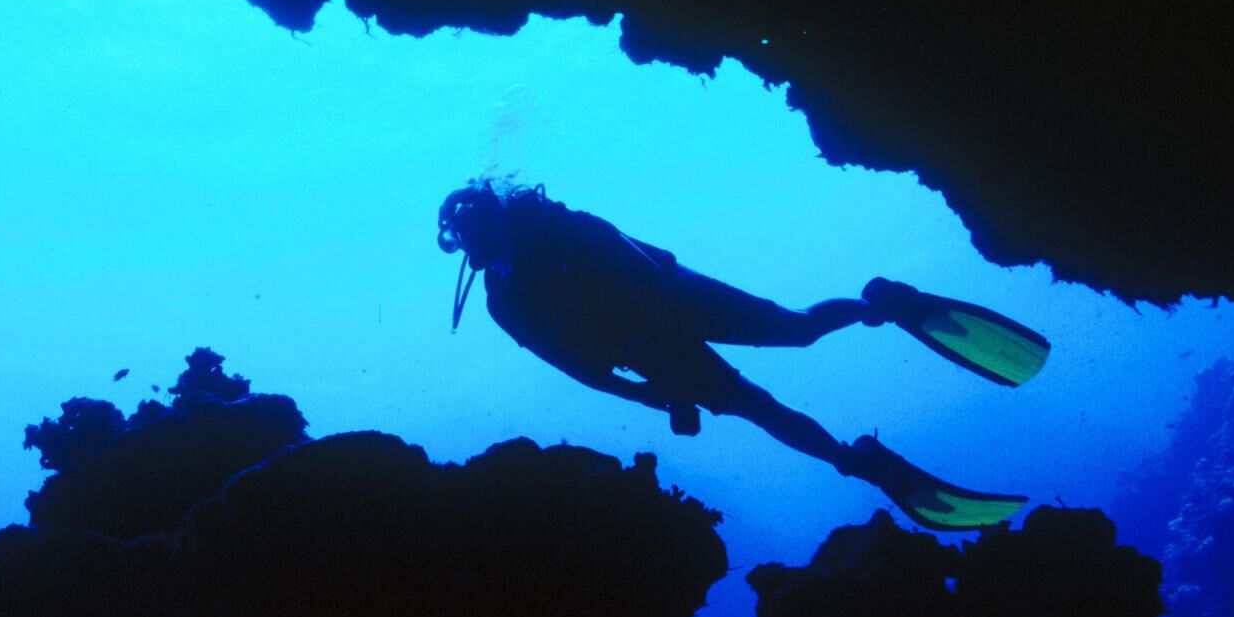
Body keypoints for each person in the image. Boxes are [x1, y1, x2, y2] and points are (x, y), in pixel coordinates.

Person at [436, 179, 1047, 531]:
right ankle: (855, 462)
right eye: (466, 242)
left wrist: (667, 381)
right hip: (648, 351)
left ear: (493, 220)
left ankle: (882, 304)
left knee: (794, 330)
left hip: (674, 302)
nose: (476, 247)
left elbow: (639, 268)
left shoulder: (554, 226)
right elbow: (579, 370)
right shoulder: (501, 303)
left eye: (478, 233)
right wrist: (656, 396)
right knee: (759, 407)